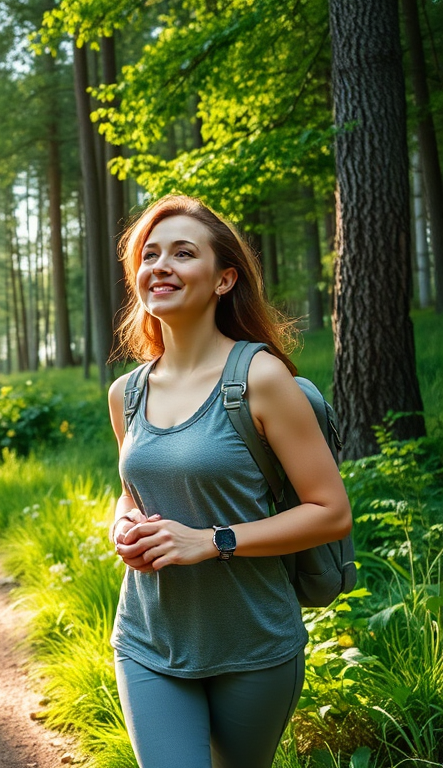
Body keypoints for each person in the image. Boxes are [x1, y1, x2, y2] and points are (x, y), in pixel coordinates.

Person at [105, 194, 352, 768]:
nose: (159, 265)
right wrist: (121, 523)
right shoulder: (128, 394)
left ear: (224, 280)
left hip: (254, 644)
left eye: (184, 253)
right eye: (150, 254)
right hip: (148, 638)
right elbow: (132, 490)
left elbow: (329, 510)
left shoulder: (260, 377)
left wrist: (210, 541)